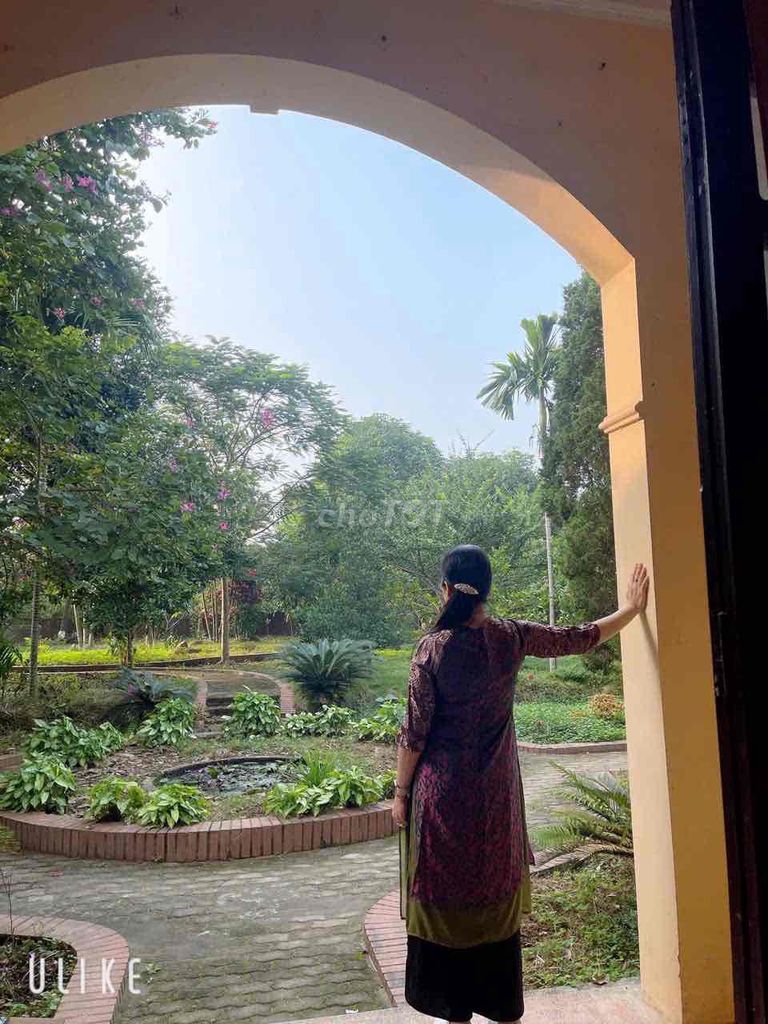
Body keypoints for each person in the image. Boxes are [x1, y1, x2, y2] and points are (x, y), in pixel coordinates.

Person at [393, 544, 650, 1024]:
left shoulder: (432, 649)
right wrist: (631, 611)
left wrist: (400, 794)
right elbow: (578, 638)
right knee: (493, 886)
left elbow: (414, 732)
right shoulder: (510, 636)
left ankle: (453, 1008)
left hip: (442, 800)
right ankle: (501, 1004)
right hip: (497, 799)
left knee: (444, 889)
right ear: (487, 590)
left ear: (446, 590)